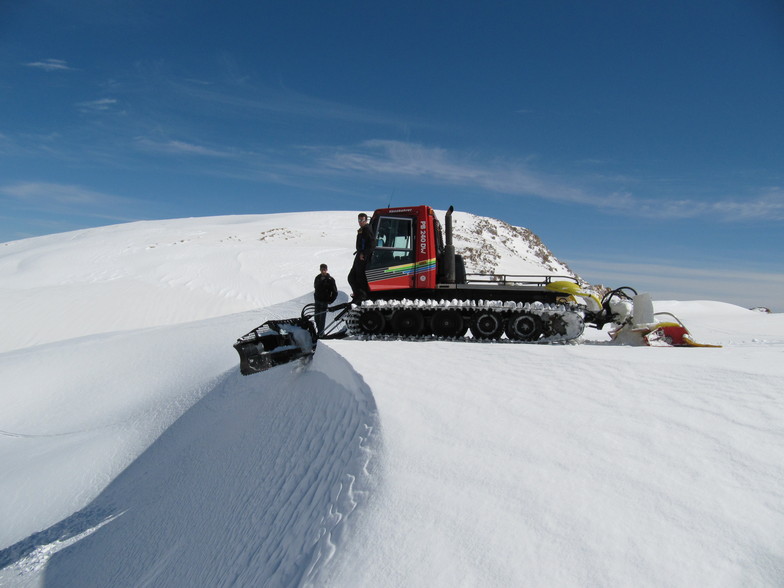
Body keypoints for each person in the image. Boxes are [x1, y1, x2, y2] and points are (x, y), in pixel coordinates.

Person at [347, 212, 375, 301]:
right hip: (359, 255)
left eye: (362, 220)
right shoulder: (362, 229)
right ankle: (358, 295)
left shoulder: (367, 229)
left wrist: (364, 254)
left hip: (362, 257)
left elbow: (372, 244)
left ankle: (362, 296)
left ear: (366, 220)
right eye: (359, 220)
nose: (360, 222)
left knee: (358, 278)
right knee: (352, 277)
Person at [313, 263, 338, 335]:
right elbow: (315, 287)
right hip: (317, 300)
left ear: (326, 270)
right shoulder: (317, 278)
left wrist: (331, 300)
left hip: (324, 301)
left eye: (324, 269)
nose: (323, 271)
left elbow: (335, 291)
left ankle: (321, 333)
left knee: (322, 318)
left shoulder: (330, 280)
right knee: (316, 318)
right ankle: (318, 332)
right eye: (322, 269)